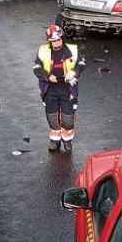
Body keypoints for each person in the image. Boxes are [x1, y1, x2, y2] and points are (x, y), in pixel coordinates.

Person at [32, 25, 84, 153]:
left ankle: (67, 141)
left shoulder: (73, 50)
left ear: (62, 38)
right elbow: (37, 68)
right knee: (52, 117)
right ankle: (55, 141)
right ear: (49, 41)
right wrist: (48, 76)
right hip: (50, 89)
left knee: (67, 119)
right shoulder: (43, 51)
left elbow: (81, 63)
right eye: (53, 41)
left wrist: (74, 73)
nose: (56, 43)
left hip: (68, 89)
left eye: (58, 40)